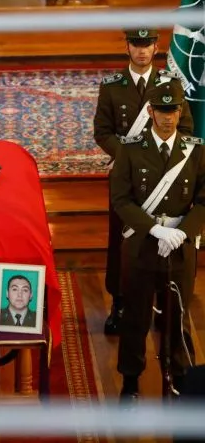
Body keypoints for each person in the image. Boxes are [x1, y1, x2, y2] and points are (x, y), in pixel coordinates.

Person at [93, 28, 194, 336]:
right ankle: (120, 302)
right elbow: (103, 131)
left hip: (165, 175)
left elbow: (186, 130)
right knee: (121, 240)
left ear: (156, 47)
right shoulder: (112, 86)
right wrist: (132, 158)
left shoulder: (170, 84)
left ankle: (165, 303)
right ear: (127, 47)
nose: (141, 50)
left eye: (146, 44)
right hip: (126, 177)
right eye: (135, 44)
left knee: (163, 237)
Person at [110, 80, 205, 403]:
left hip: (180, 248)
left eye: (173, 110)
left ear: (180, 111)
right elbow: (121, 200)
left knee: (178, 318)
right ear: (150, 111)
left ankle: (179, 380)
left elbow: (203, 200)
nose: (167, 118)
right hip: (142, 246)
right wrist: (155, 230)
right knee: (135, 318)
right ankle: (130, 383)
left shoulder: (195, 150)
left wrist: (183, 231)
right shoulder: (130, 149)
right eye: (162, 111)